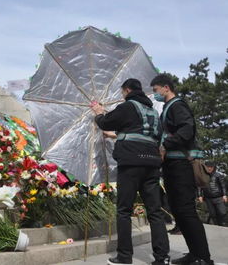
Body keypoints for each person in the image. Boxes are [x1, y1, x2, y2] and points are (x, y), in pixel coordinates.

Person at [91, 78, 170, 265]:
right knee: (155, 212)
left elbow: (105, 122)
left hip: (131, 164)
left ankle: (125, 257)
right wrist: (119, 135)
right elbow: (149, 134)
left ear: (127, 90)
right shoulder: (152, 111)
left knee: (124, 210)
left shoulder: (127, 106)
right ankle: (162, 257)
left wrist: (99, 113)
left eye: (122, 93)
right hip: (151, 164)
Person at [151, 74, 214, 265]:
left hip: (181, 166)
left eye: (156, 90)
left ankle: (203, 257)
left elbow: (187, 130)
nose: (155, 95)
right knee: (178, 211)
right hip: (171, 165)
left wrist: (165, 145)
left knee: (186, 211)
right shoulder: (168, 108)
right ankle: (194, 254)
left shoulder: (178, 105)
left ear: (166, 87)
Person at [198, 161, 227, 226]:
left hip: (218, 197)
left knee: (222, 212)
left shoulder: (218, 175)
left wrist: (224, 195)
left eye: (211, 167)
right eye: (208, 167)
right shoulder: (202, 176)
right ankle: (216, 226)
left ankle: (223, 225)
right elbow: (199, 186)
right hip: (208, 198)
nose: (209, 168)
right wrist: (200, 195)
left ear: (213, 168)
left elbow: (223, 186)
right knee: (212, 214)